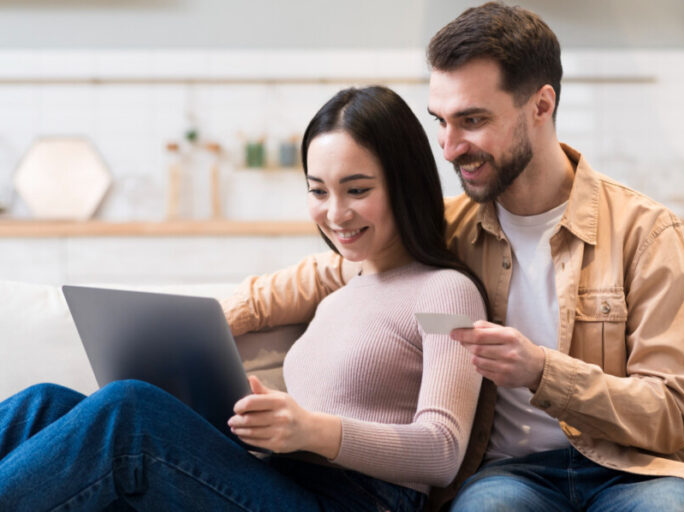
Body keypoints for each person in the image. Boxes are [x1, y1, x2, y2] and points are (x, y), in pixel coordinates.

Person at [221, 3, 684, 511]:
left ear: (541, 105)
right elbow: (327, 271)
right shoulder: (449, 228)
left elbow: (670, 415)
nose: (448, 147)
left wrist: (540, 370)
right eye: (440, 121)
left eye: (472, 120)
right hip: (508, 476)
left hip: (635, 470)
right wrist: (211, 320)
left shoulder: (646, 232)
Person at [0, 86, 488, 511]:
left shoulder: (445, 292)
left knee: (130, 412)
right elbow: (280, 294)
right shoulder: (342, 287)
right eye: (318, 191)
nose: (336, 213)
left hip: (357, 501)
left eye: (356, 190)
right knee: (41, 404)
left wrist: (311, 430)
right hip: (276, 481)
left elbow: (442, 451)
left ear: (405, 183)